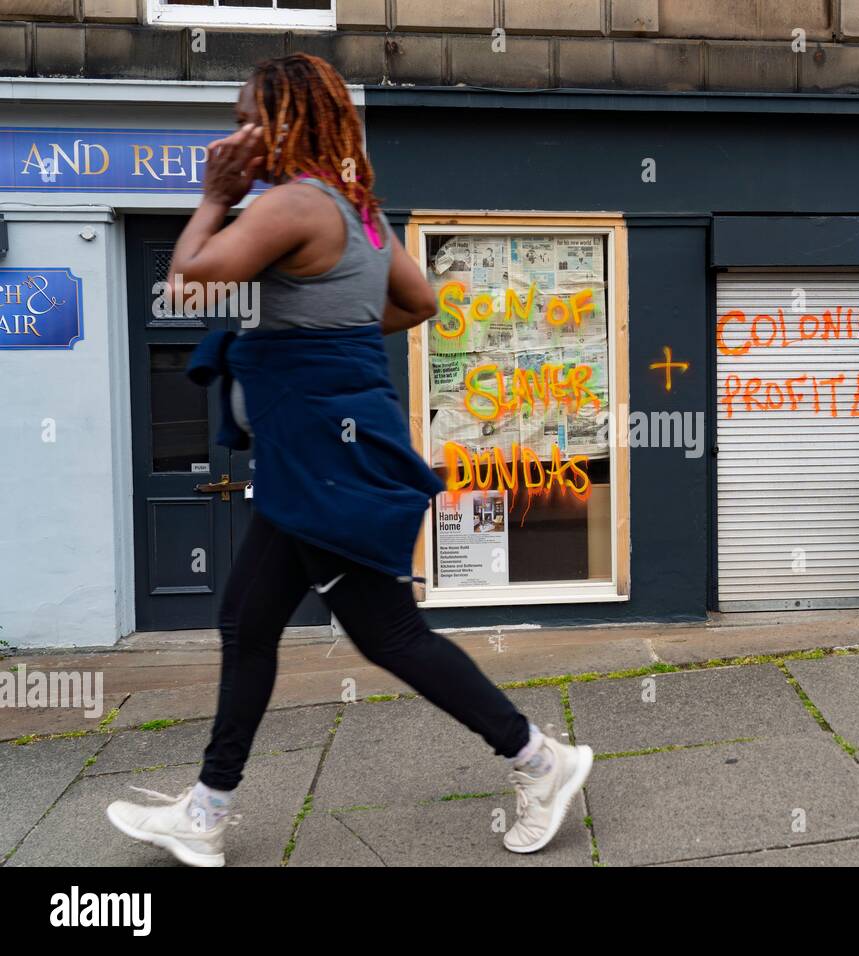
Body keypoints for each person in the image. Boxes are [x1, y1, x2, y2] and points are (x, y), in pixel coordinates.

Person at [105, 54, 592, 867]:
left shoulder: (293, 203)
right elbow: (420, 302)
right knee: (247, 621)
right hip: (316, 462)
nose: (231, 137)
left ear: (283, 120)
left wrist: (216, 197)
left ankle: (541, 761)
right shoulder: (356, 212)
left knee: (390, 634)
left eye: (242, 119)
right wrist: (336, 337)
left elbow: (186, 287)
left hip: (322, 466)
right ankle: (208, 809)